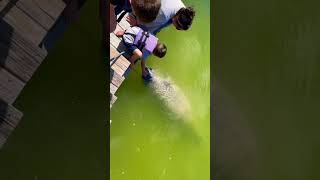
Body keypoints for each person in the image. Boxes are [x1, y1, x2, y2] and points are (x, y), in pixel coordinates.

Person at [127, 0, 196, 34]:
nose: (175, 27)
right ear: (176, 19)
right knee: (148, 31)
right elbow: (146, 24)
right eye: (177, 25)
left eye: (178, 28)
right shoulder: (164, 16)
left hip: (154, 4)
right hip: (138, 6)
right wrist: (136, 24)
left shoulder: (184, 9)